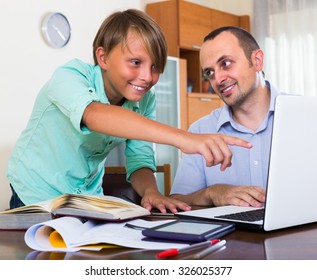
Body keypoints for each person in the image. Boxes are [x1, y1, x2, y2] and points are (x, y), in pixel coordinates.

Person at [6, 11, 251, 213]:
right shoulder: (69, 77)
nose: (146, 77)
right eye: (135, 62)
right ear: (103, 57)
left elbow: (140, 159)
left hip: (87, 199)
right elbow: (95, 115)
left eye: (155, 67)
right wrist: (184, 138)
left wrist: (151, 192)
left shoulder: (145, 100)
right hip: (35, 195)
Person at [171, 26, 283, 208]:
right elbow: (177, 202)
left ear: (257, 60)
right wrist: (212, 193)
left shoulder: (307, 118)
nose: (218, 79)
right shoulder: (200, 132)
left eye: (225, 63)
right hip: (232, 237)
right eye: (210, 72)